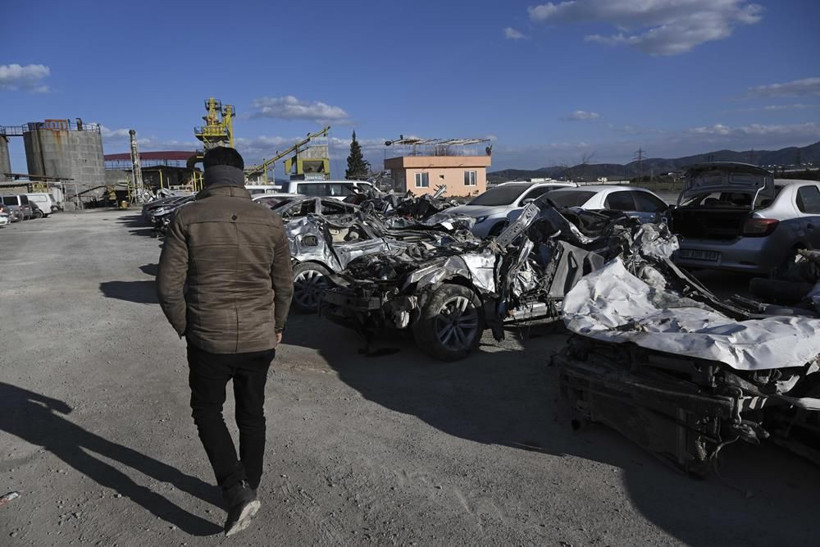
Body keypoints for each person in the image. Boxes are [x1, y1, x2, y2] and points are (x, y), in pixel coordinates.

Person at [156, 146, 293, 536]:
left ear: (207, 175)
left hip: (208, 340)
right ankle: (248, 486)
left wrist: (187, 327)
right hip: (259, 338)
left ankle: (236, 491)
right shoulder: (269, 221)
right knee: (252, 415)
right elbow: (284, 285)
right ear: (242, 176)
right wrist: (277, 325)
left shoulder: (188, 217)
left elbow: (167, 288)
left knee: (207, 412)